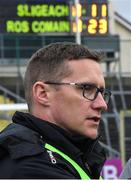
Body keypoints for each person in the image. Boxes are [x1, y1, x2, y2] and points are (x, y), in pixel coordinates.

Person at [0, 42, 111, 179]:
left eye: (102, 92)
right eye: (86, 88)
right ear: (43, 94)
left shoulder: (76, 156)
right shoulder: (30, 166)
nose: (102, 104)